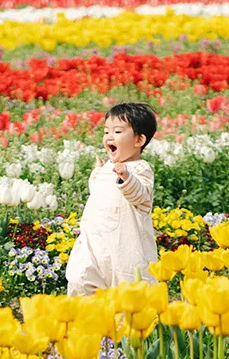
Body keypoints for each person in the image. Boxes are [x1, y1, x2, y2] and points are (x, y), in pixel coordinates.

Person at [66, 102, 159, 296]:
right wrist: (97, 172)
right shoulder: (107, 168)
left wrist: (126, 177)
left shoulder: (140, 169)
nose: (109, 137)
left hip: (124, 247)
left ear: (139, 140)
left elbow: (140, 195)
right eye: (106, 131)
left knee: (127, 294)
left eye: (117, 132)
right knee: (80, 282)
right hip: (94, 244)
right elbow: (98, 196)